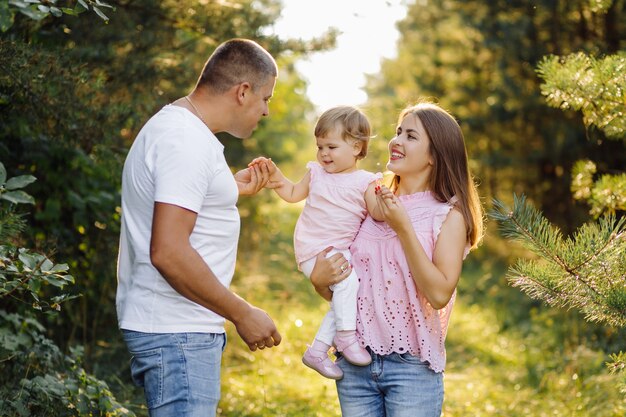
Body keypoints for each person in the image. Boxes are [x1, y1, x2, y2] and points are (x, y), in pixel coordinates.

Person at [116, 38, 282, 417]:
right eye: (266, 98)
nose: (266, 111)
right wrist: (242, 313)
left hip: (177, 331)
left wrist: (227, 189)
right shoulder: (185, 141)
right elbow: (169, 251)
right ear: (243, 91)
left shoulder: (181, 130)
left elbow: (182, 205)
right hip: (177, 335)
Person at [309, 101, 484, 416]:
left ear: (434, 155)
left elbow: (439, 293)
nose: (396, 141)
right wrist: (319, 281)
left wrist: (403, 228)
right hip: (354, 363)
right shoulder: (370, 201)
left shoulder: (447, 213)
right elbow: (351, 290)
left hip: (412, 368)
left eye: (411, 136)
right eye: (398, 132)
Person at [249, 105, 383, 380]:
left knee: (348, 294)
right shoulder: (316, 173)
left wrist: (387, 200)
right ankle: (345, 336)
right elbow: (293, 193)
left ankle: (318, 350)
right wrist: (276, 178)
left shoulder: (366, 182)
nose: (323, 153)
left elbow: (379, 214)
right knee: (348, 286)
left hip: (338, 252)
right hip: (314, 249)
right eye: (319, 146)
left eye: (331, 147)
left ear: (357, 148)